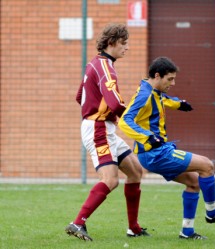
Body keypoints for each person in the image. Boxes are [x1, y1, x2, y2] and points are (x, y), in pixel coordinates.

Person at [118, 56, 215, 240]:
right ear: (157, 76)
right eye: (170, 79)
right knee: (207, 166)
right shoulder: (145, 94)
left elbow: (161, 99)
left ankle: (187, 232)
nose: (173, 83)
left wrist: (178, 104)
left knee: (194, 183)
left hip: (153, 153)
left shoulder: (151, 90)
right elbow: (125, 120)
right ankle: (213, 213)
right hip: (155, 153)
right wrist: (148, 137)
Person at [65, 23, 149, 241]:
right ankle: (77, 223)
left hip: (102, 126)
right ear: (112, 43)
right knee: (111, 180)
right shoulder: (105, 67)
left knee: (135, 171)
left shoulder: (95, 63)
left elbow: (79, 96)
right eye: (124, 43)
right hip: (98, 128)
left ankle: (134, 228)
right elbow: (114, 102)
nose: (127, 48)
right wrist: (133, 118)